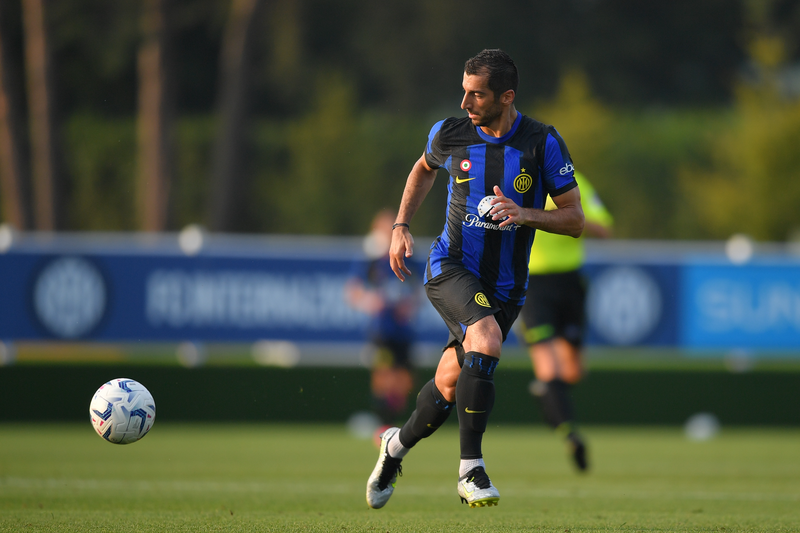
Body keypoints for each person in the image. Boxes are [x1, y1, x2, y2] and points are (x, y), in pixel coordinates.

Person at [366, 49, 585, 510]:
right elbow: (422, 170)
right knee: (484, 340)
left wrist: (525, 213)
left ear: (506, 97)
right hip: (451, 267)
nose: (465, 102)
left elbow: (575, 219)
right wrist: (401, 225)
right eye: (463, 91)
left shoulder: (542, 142)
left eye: (476, 94)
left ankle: (394, 448)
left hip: (506, 287)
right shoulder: (449, 134)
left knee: (449, 381)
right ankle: (471, 470)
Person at [518, 171, 613, 472]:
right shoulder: (515, 180)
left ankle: (548, 393)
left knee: (572, 371)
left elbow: (604, 229)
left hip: (570, 283)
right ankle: (571, 435)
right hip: (533, 286)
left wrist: (566, 220)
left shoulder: (575, 182)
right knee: (549, 368)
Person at [345, 208, 419, 429]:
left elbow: (421, 289)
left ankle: (395, 421)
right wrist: (370, 301)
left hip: (403, 330)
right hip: (381, 330)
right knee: (384, 376)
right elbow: (352, 291)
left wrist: (409, 305)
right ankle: (382, 424)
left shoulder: (408, 256)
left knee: (405, 380)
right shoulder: (370, 260)